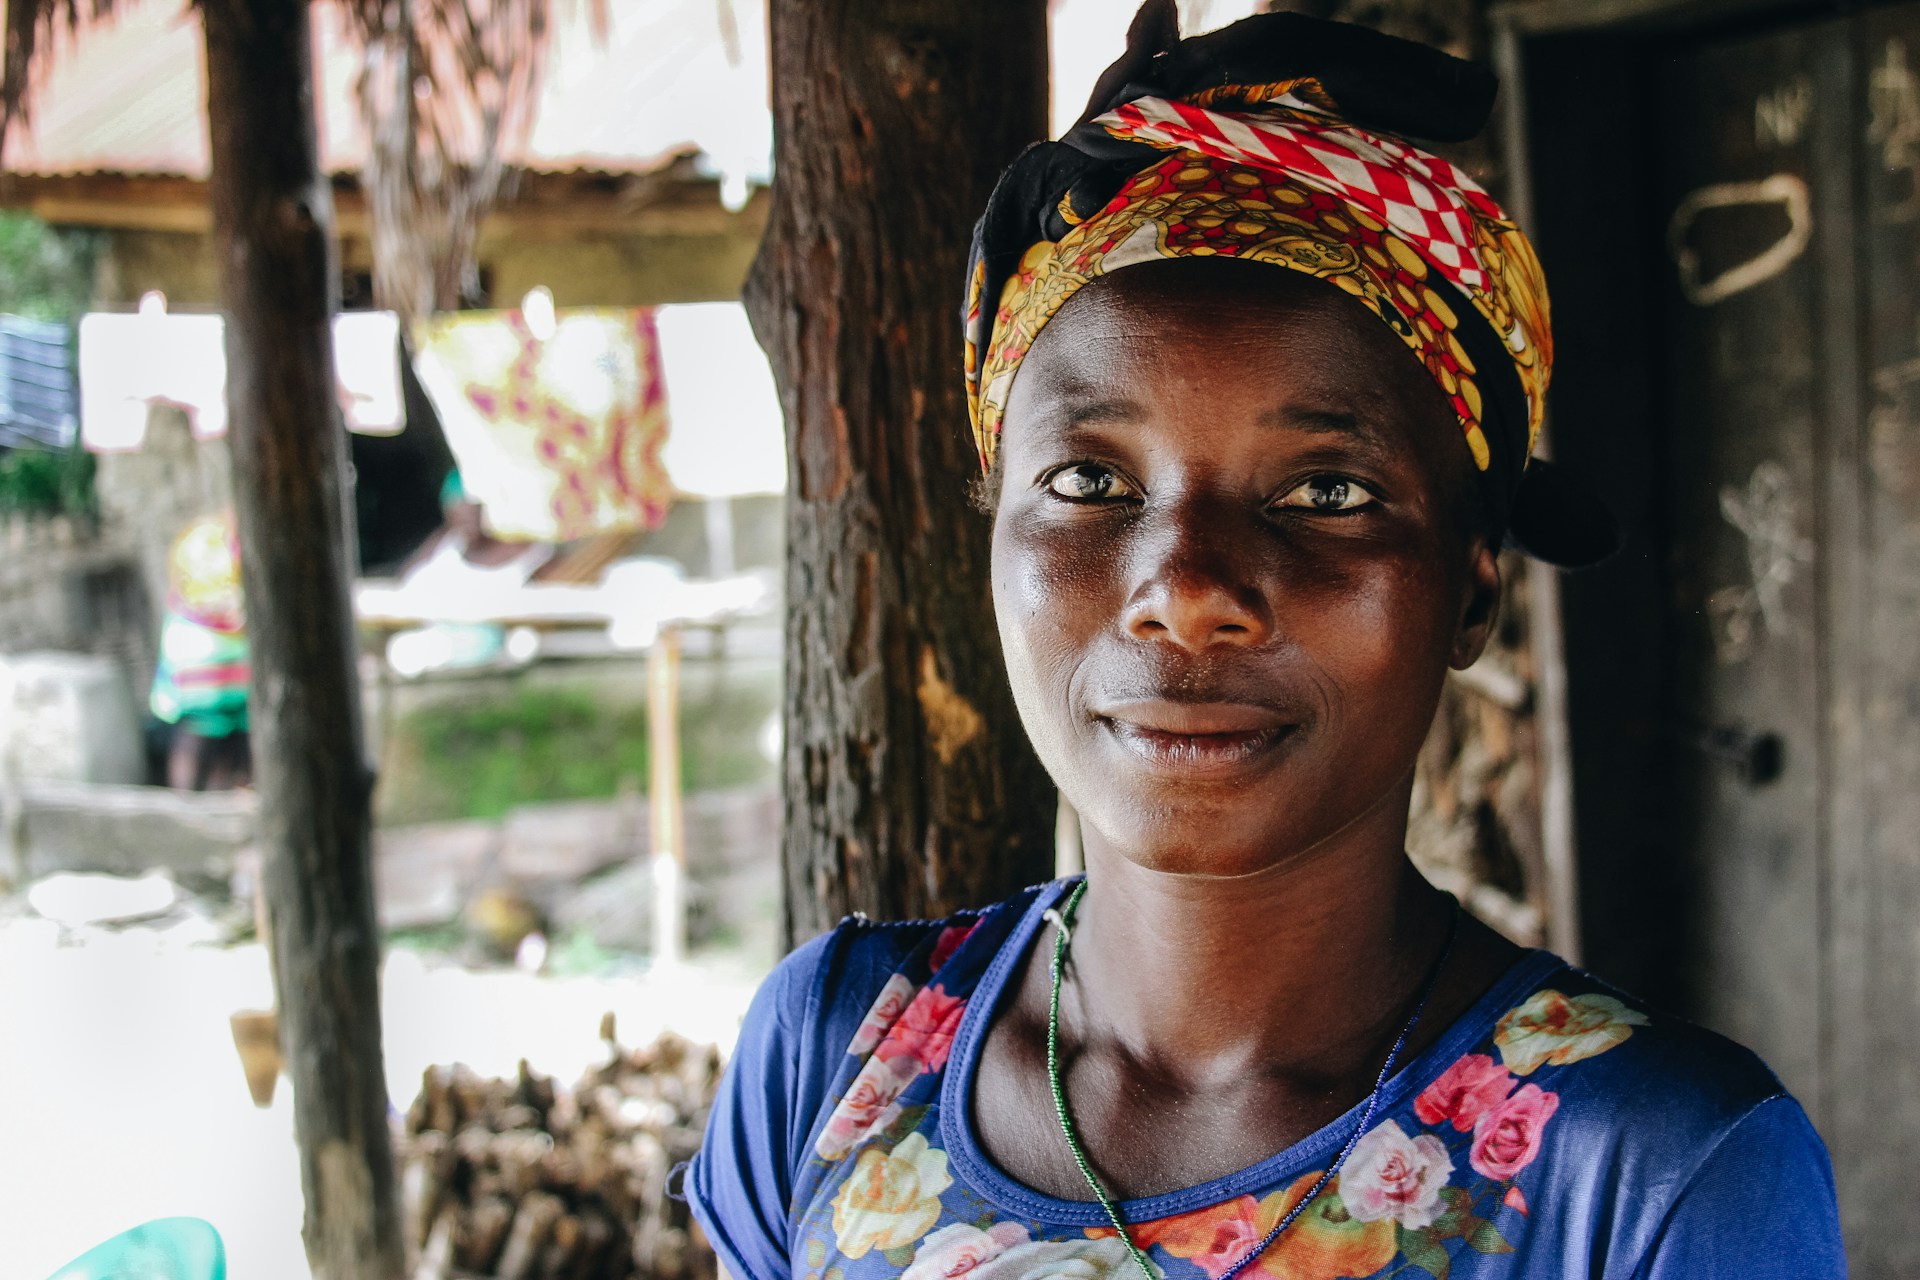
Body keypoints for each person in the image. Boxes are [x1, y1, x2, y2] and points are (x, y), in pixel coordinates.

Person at [686, 8, 1847, 1279]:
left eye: (1327, 493)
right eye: (1087, 481)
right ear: (993, 536)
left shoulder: (1655, 1176)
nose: (1185, 590)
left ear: (1471, 593)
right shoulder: (834, 1058)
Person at [148, 512, 250, 791]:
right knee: (235, 746)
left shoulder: (196, 541)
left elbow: (179, 591)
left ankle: (186, 809)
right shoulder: (233, 543)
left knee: (196, 737)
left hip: (194, 661)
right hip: (233, 665)